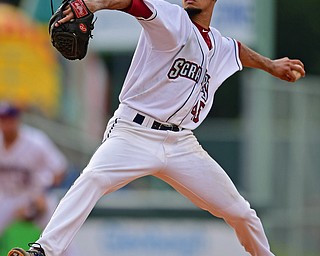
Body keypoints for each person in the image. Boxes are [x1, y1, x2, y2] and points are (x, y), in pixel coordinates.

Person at [8, 0, 305, 255]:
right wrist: (92, 4)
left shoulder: (218, 44)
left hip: (182, 146)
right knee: (93, 179)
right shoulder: (172, 20)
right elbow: (130, 3)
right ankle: (44, 249)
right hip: (133, 133)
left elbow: (237, 50)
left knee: (242, 213)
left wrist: (271, 65)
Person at [0, 102, 75, 256]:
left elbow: (60, 169)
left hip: (34, 195)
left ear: (17, 120)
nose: (6, 124)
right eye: (2, 119)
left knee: (59, 233)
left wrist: (44, 194)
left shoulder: (36, 141)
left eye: (9, 119)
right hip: (5, 197)